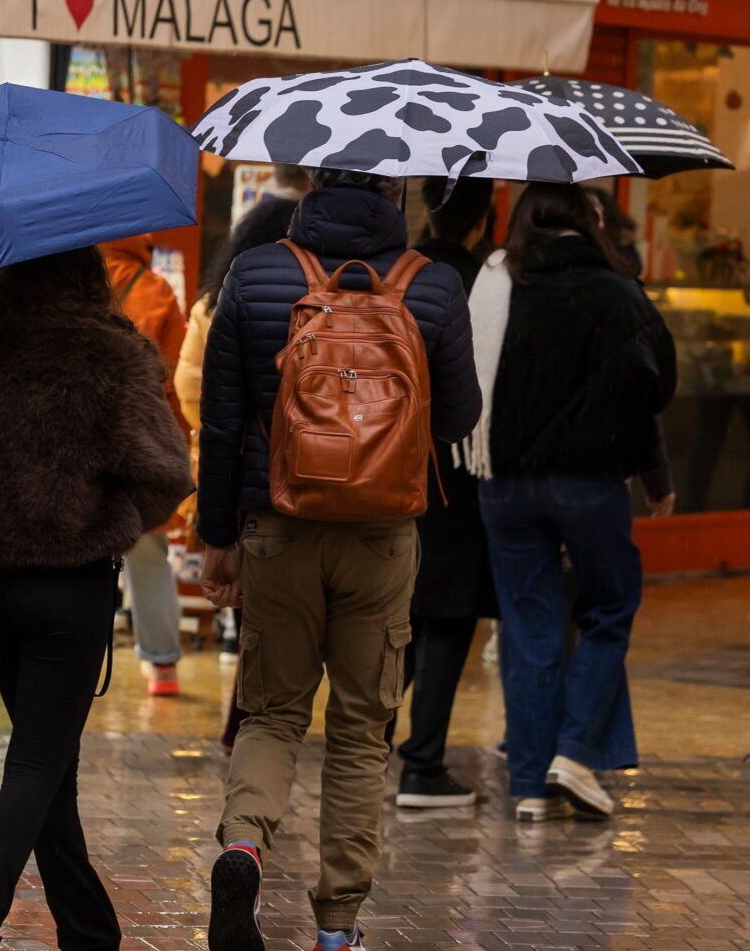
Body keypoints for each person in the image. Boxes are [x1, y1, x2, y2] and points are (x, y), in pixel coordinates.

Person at [198, 169, 480, 951]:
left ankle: (243, 847)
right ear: (397, 196)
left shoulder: (255, 273)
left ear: (316, 183)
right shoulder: (434, 285)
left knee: (273, 713)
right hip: (383, 536)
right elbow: (459, 418)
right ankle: (336, 928)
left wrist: (218, 539)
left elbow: (221, 424)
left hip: (277, 526)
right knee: (361, 730)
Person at [0, 246, 193, 951]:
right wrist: (114, 519)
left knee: (51, 769)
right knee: (36, 767)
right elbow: (166, 472)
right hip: (69, 588)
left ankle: (89, 930)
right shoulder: (111, 350)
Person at [461, 182, 676, 824]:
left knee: (528, 629)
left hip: (503, 480)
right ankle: (575, 754)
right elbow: (654, 383)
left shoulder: (495, 281)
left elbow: (463, 372)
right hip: (587, 482)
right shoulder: (616, 289)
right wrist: (652, 471)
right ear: (590, 220)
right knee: (608, 609)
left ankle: (530, 785)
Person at [385, 175, 499, 810]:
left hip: (387, 459)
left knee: (394, 611)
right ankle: (423, 762)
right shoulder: (487, 282)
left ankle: (370, 745)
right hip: (458, 464)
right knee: (449, 614)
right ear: (482, 220)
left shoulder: (397, 273)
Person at [175, 195, 299, 749]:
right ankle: (263, 719)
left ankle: (249, 721)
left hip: (235, 470)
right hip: (301, 472)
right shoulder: (312, 301)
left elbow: (190, 388)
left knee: (255, 608)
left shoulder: (213, 303)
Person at [98, 233, 192, 697]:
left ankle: (77, 658)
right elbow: (175, 381)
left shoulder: (72, 280)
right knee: (148, 552)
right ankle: (162, 665)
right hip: (139, 441)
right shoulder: (154, 289)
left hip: (79, 438)